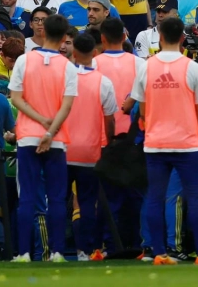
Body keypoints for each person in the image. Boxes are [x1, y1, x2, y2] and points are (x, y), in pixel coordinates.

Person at [130, 16, 198, 265]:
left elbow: (141, 110)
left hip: (156, 143)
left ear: (159, 37)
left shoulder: (146, 67)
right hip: (187, 143)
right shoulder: (192, 67)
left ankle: (159, 253)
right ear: (183, 39)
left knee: (155, 197)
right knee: (195, 198)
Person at [8, 14, 78, 263]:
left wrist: (39, 121)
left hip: (27, 136)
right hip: (56, 139)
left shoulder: (24, 61)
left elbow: (16, 98)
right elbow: (67, 106)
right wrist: (50, 130)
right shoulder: (68, 66)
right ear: (63, 39)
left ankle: (24, 253)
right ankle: (58, 251)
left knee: (27, 196)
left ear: (43, 31)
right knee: (57, 197)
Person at [66, 32, 117, 261]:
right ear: (95, 54)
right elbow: (110, 119)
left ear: (74, 53)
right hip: (91, 151)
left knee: (58, 199)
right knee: (88, 201)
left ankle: (55, 248)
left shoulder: (63, 78)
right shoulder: (103, 82)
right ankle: (85, 250)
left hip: (64, 149)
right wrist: (109, 142)